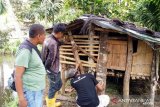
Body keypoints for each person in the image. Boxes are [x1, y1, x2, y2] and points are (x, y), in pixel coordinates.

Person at [15, 24, 46, 107]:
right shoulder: (25, 50)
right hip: (31, 92)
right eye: (44, 35)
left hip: (36, 90)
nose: (45, 37)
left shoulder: (33, 47)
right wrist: (21, 99)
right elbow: (17, 76)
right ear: (38, 36)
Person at [41, 23, 66, 107]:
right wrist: (49, 70)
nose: (62, 36)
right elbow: (51, 59)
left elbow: (46, 54)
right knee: (53, 87)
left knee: (58, 84)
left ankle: (51, 101)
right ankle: (50, 105)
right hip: (52, 69)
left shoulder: (49, 39)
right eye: (63, 34)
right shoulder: (53, 43)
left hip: (53, 68)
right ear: (59, 33)